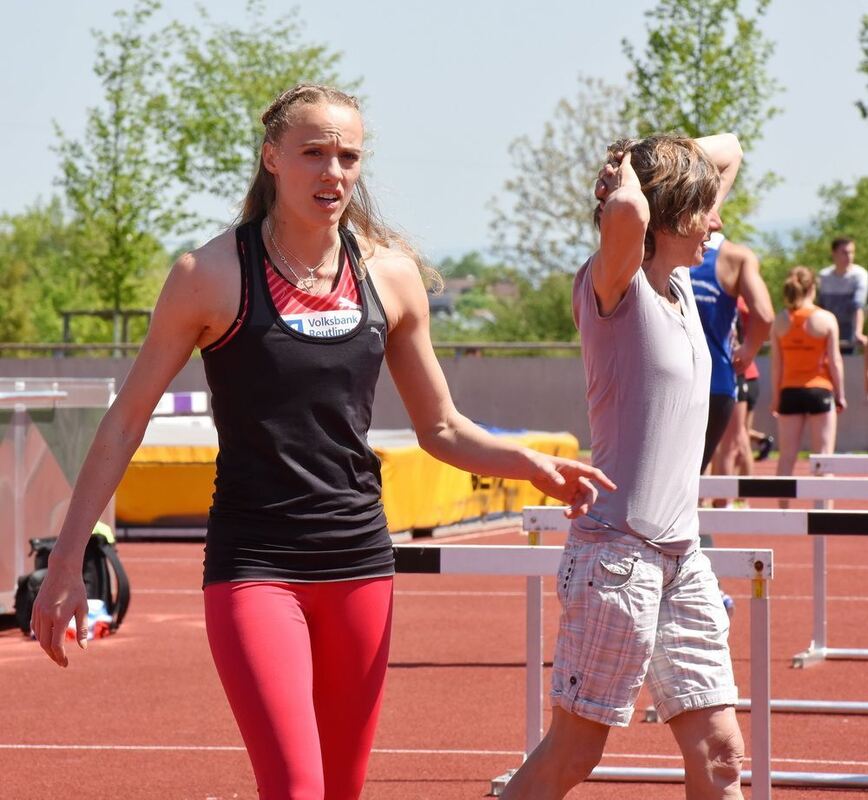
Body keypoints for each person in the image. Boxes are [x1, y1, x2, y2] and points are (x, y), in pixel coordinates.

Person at [29, 84, 613, 800]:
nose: (333, 171)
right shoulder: (208, 276)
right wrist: (65, 564)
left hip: (360, 564)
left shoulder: (390, 277)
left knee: (342, 789)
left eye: (348, 156)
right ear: (272, 157)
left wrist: (529, 465)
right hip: (255, 565)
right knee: (297, 788)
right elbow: (125, 421)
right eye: (313, 153)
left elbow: (441, 427)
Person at [501, 132, 745, 800]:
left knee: (722, 752)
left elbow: (733, 148)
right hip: (618, 558)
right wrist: (634, 170)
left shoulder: (681, 287)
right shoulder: (617, 285)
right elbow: (630, 216)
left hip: (683, 560)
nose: (718, 222)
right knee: (574, 755)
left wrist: (663, 156)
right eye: (702, 210)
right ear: (662, 215)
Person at [691, 234, 773, 479]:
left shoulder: (658, 246)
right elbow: (766, 316)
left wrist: (747, 351)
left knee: (736, 440)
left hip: (722, 375)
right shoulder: (737, 258)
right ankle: (717, 503)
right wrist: (748, 351)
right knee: (696, 469)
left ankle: (732, 502)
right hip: (718, 380)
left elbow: (764, 316)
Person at [771, 266, 846, 494]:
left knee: (786, 458)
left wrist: (776, 399)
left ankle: (781, 516)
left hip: (789, 393)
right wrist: (840, 395)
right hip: (819, 391)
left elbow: (776, 366)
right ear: (812, 287)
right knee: (824, 458)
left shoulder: (780, 321)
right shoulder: (825, 319)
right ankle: (824, 518)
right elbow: (835, 361)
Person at [817, 237, 867, 354]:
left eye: (851, 252)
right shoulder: (824, 276)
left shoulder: (860, 275)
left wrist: (858, 332)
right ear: (834, 254)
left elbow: (858, 306)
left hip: (849, 333)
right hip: (827, 331)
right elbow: (820, 307)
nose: (849, 256)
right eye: (844, 252)